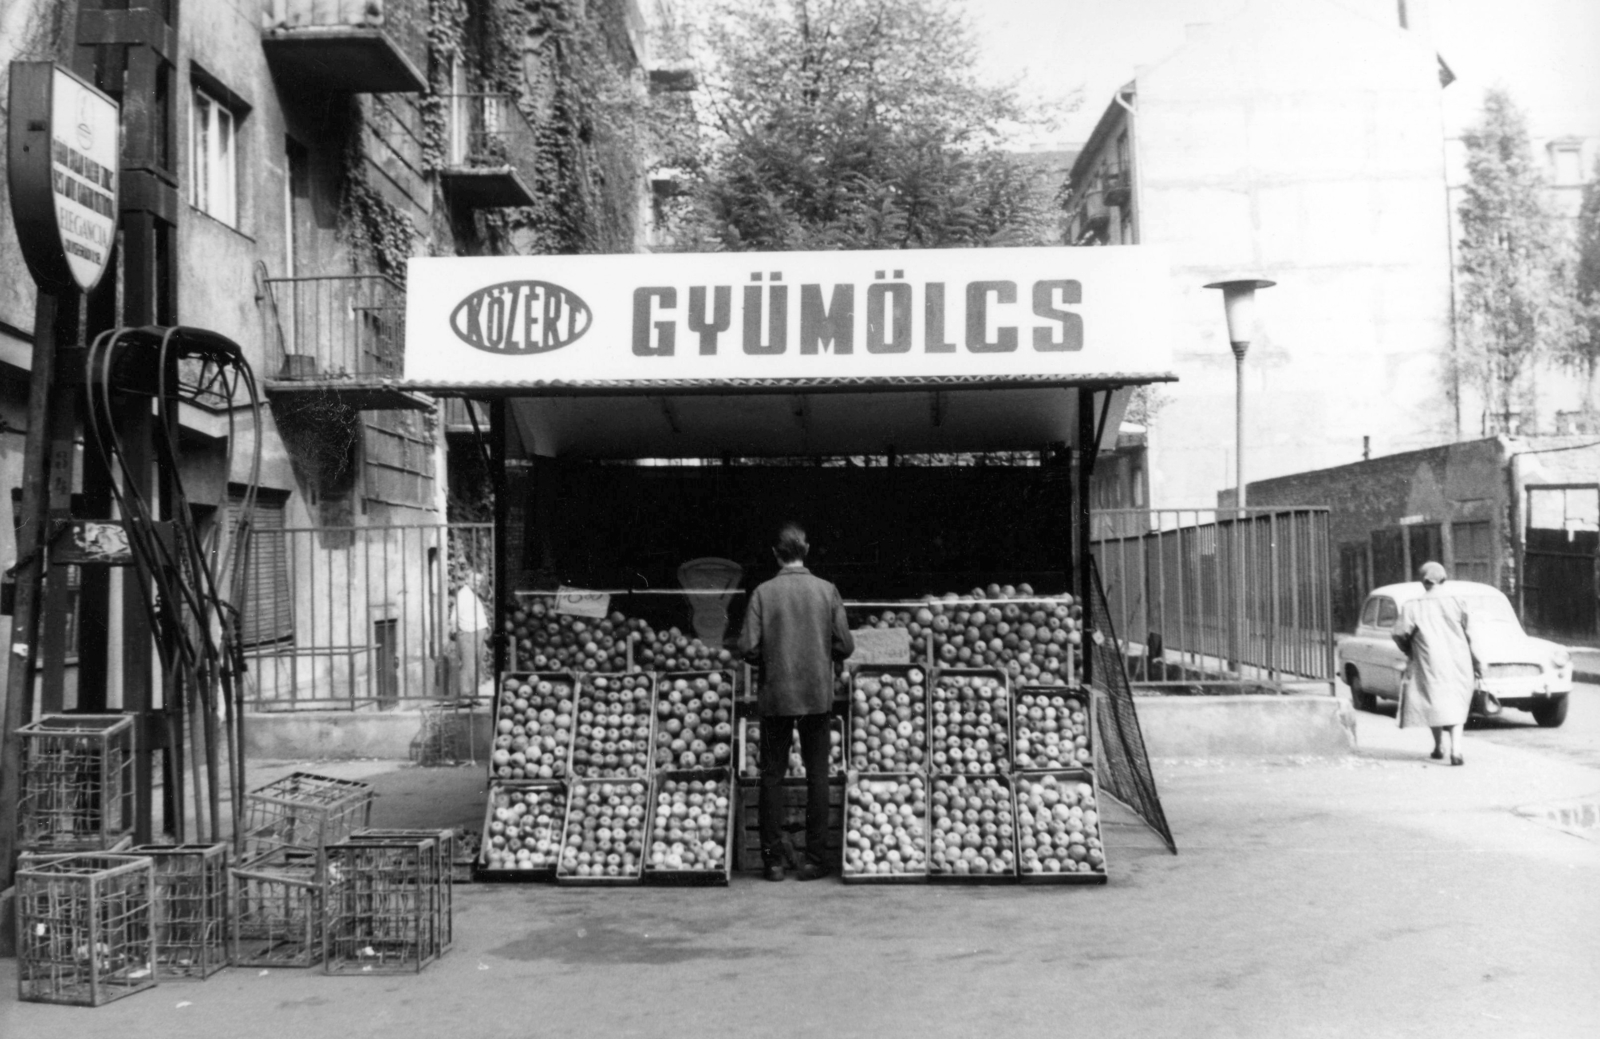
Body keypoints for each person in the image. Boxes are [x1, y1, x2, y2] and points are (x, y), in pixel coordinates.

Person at [738, 522, 854, 881]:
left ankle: (772, 862)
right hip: (817, 696)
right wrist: (822, 657)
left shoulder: (763, 593)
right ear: (807, 549)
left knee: (771, 775)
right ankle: (814, 860)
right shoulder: (826, 591)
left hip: (776, 696)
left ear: (776, 553)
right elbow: (845, 645)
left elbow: (747, 647)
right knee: (818, 776)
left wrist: (772, 661)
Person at [1391, 561, 1481, 766]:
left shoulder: (1412, 606)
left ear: (1423, 582)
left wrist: (1409, 649)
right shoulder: (1459, 603)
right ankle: (1457, 750)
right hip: (1459, 662)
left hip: (1428, 662)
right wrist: (1478, 663)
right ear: (1444, 579)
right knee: (1456, 702)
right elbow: (1472, 637)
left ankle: (1439, 746)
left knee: (1433, 701)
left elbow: (1398, 634)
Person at [453, 569, 491, 700]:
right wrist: (456, 633)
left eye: (479, 580)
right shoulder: (463, 594)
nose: (477, 583)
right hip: (468, 633)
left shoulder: (471, 594)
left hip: (477, 633)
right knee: (468, 665)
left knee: (475, 665)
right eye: (474, 580)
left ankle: (473, 696)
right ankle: (466, 697)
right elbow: (454, 616)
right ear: (467, 580)